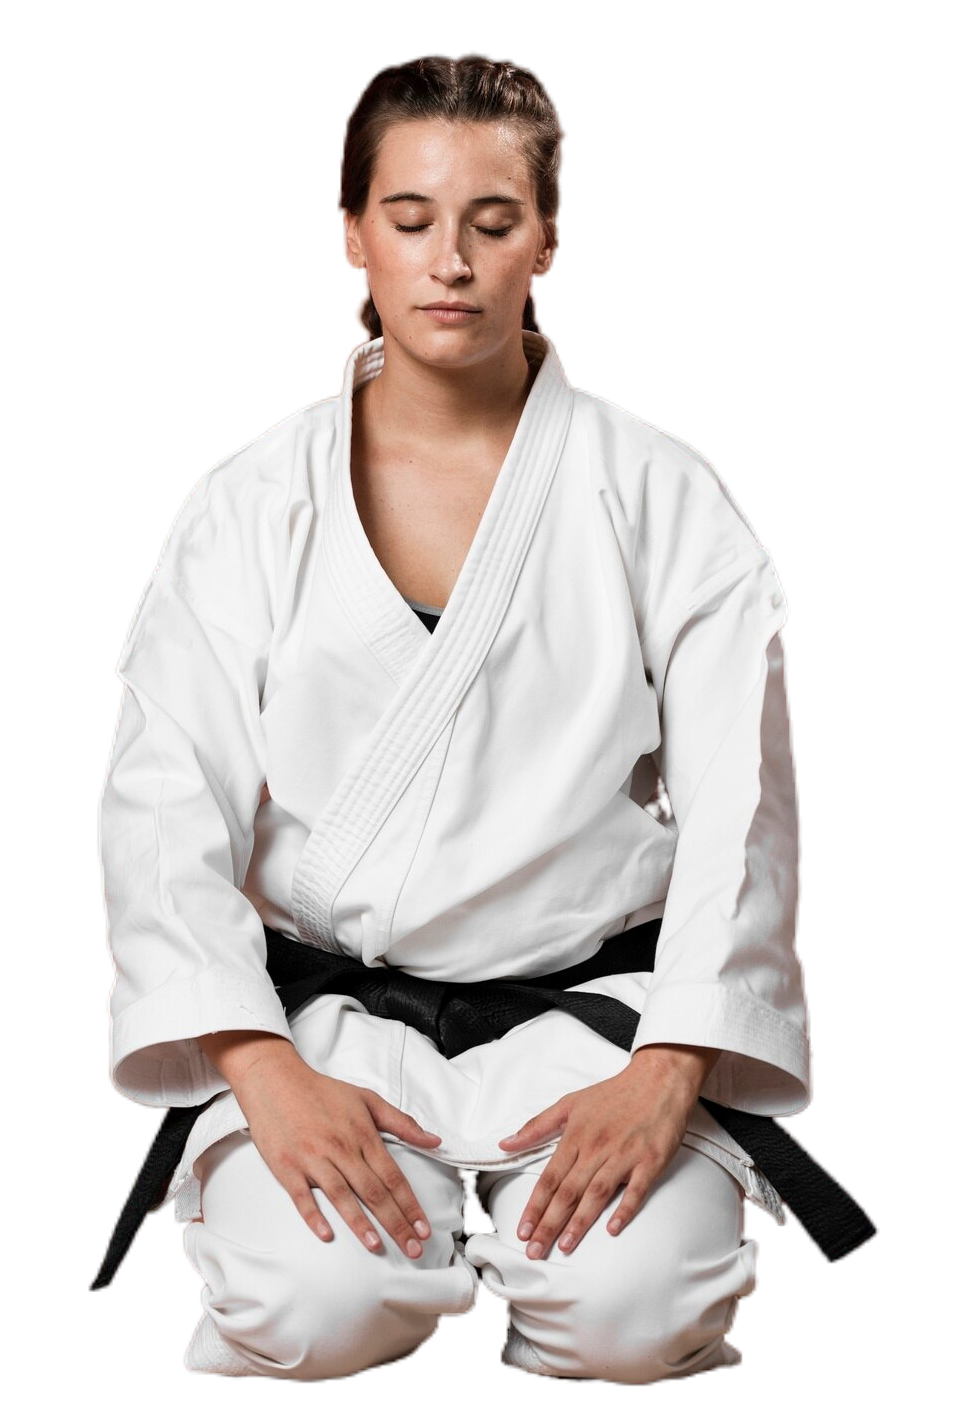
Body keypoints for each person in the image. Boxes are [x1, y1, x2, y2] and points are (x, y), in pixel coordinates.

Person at [98, 52, 811, 1384]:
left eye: (493, 222)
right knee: (313, 1311)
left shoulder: (660, 491)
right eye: (411, 218)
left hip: (592, 1018)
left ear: (548, 239)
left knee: (636, 1319)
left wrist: (669, 1067)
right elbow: (161, 801)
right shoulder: (250, 502)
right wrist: (258, 1064)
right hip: (325, 1030)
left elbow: (743, 807)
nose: (451, 263)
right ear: (351, 233)